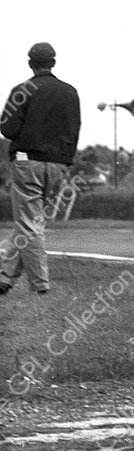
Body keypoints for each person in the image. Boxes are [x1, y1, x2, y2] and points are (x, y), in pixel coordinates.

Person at [0, 42, 81, 295]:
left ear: (30, 63)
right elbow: (74, 128)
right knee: (31, 222)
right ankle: (4, 276)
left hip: (27, 162)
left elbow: (7, 129)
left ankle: (40, 287)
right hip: (58, 165)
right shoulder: (70, 92)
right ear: (53, 63)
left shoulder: (22, 90)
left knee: (28, 224)